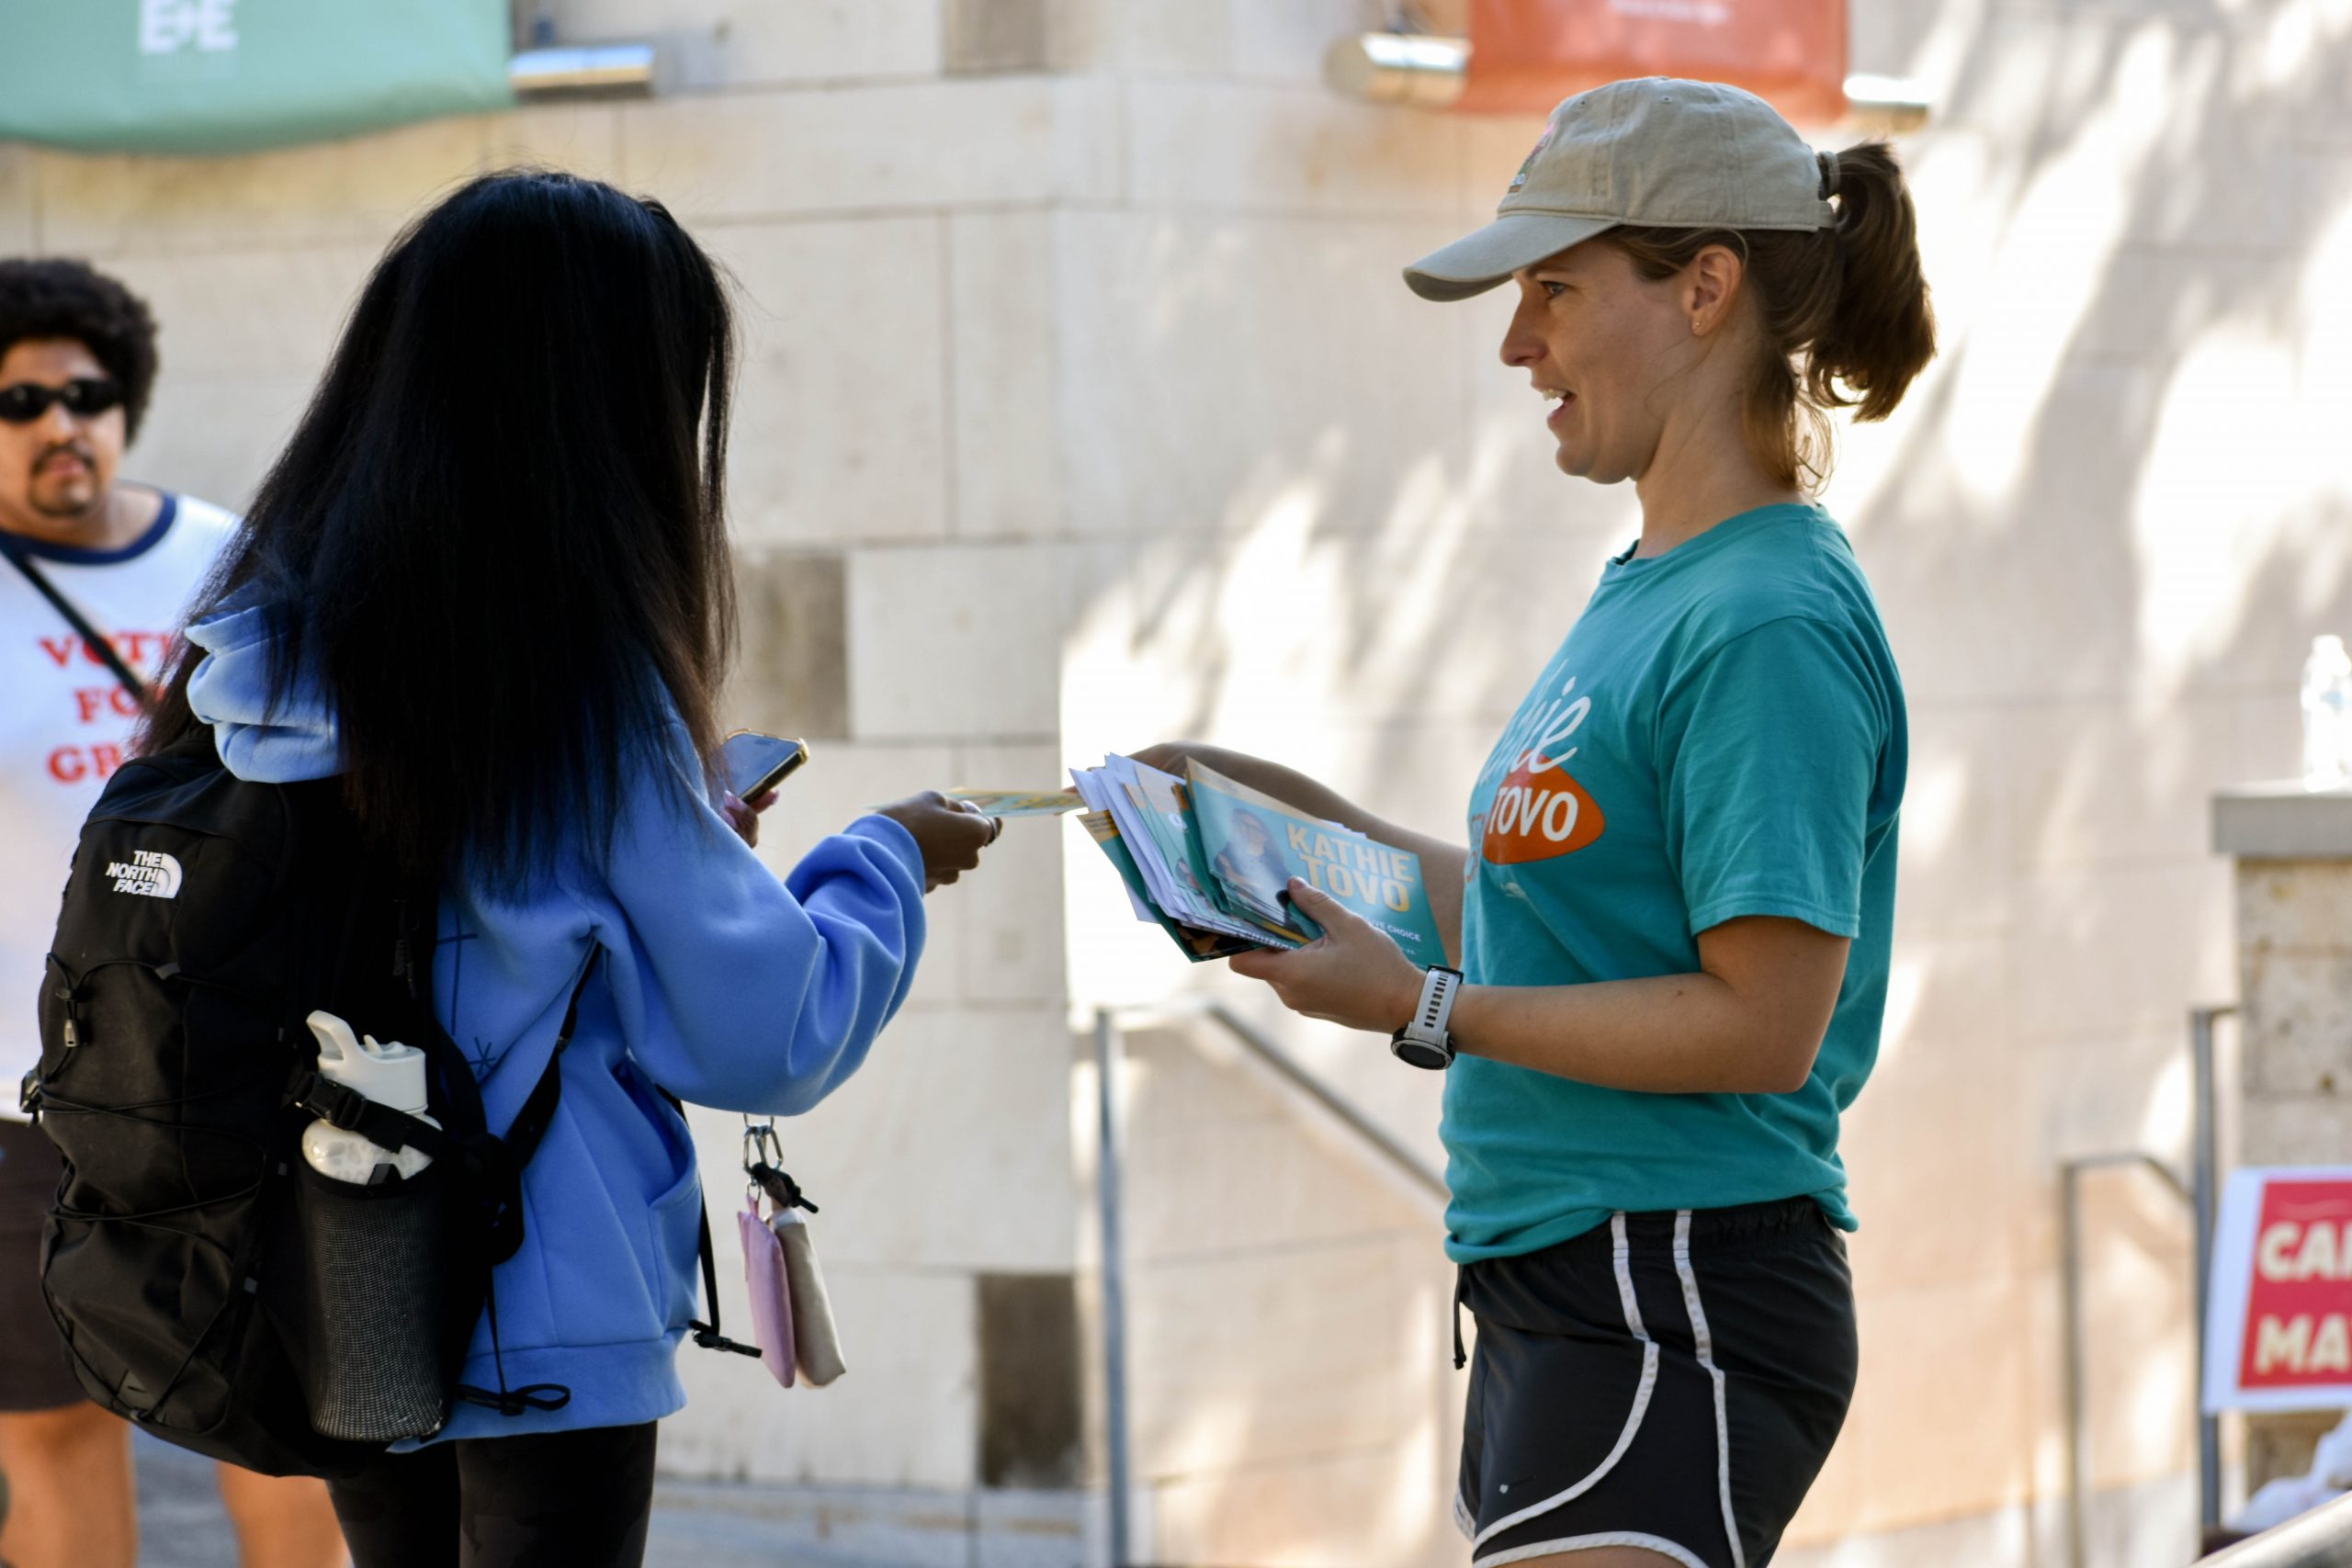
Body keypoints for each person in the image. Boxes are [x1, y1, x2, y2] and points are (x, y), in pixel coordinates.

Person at [136, 169, 995, 1568]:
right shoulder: (578, 690)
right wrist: (889, 858)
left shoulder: (255, 649)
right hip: (543, 1289)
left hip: (329, 1262)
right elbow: (765, 1034)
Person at [1138, 78, 1934, 1568]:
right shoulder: (1657, 585)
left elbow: (1764, 1021)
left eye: (1555, 290)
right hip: (1568, 1286)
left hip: (1672, 1281)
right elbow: (1539, 910)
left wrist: (1429, 1009)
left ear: (1707, 289)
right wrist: (1278, 821)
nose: (1517, 343)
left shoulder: (1767, 619)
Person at [0, 258, 347, 1568]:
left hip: (234, 1087)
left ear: (124, 402)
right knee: (50, 1439)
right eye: (19, 399)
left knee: (276, 1429)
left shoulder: (228, 564)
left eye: (84, 393)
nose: (57, 423)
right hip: (20, 1102)